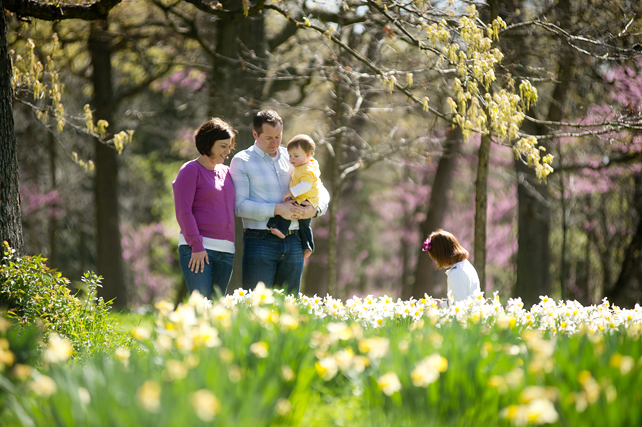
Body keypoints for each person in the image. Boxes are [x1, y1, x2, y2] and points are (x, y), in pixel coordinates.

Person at [229, 110, 329, 293]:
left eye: (278, 137)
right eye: (268, 138)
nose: (275, 143)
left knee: (289, 309)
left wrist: (315, 210)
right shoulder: (242, 161)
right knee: (257, 307)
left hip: (295, 241)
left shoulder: (293, 156)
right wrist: (277, 209)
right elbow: (239, 206)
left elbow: (320, 189)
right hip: (260, 241)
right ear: (255, 134)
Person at [172, 118, 236, 300]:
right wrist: (197, 245)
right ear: (209, 143)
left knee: (217, 313)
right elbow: (183, 211)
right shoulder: (190, 170)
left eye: (229, 146)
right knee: (201, 309)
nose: (227, 151)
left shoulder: (226, 172)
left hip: (226, 251)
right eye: (223, 146)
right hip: (199, 249)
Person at [267, 134, 321, 260]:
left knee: (291, 211)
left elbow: (306, 186)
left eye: (296, 156)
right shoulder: (306, 164)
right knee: (304, 224)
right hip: (306, 198)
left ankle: (281, 229)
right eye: (290, 155)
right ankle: (308, 247)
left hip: (306, 199)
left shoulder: (307, 170)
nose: (291, 159)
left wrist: (292, 192)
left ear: (308, 155)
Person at [422, 229, 480, 303]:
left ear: (442, 255)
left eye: (436, 258)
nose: (436, 262)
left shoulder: (456, 273)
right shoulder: (465, 265)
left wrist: (441, 304)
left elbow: (459, 304)